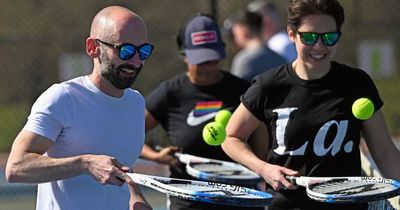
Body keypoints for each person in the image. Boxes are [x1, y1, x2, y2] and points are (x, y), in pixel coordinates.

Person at [221, 0, 400, 210]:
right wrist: (264, 169)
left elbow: (385, 153)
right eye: (309, 36)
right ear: (291, 34)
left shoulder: (357, 84)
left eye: (329, 37)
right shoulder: (269, 85)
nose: (319, 46)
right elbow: (231, 137)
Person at [5, 6, 154, 210]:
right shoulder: (62, 98)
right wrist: (85, 164)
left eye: (143, 51)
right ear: (93, 47)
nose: (136, 61)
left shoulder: (136, 103)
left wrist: (137, 200)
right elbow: (16, 167)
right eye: (126, 50)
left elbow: (125, 171)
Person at [140, 13, 265, 210]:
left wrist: (262, 172)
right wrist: (154, 156)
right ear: (184, 55)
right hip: (187, 201)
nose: (208, 67)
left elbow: (260, 141)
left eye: (212, 59)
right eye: (201, 61)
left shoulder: (243, 90)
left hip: (239, 199)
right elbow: (129, 134)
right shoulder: (170, 93)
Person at [230, 10, 287, 82]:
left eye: (235, 33)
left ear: (244, 31)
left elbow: (236, 90)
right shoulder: (279, 59)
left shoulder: (244, 60)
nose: (234, 37)